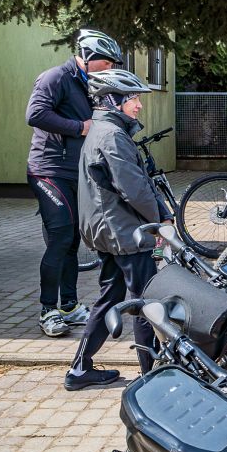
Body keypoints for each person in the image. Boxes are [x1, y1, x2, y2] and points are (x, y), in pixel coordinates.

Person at [65, 70, 173, 391]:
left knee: (110, 295)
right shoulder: (112, 136)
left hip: (109, 228)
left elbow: (136, 182)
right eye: (134, 99)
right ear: (113, 101)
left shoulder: (104, 129)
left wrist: (161, 213)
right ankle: (150, 376)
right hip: (122, 231)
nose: (139, 105)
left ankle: (79, 368)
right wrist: (160, 222)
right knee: (145, 300)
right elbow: (135, 188)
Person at [26, 28, 122, 338]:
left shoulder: (89, 85)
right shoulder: (55, 77)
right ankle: (47, 310)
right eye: (107, 63)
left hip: (74, 171)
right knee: (60, 237)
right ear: (90, 56)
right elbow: (35, 114)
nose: (110, 69)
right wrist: (79, 127)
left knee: (71, 241)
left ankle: (68, 305)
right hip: (48, 169)